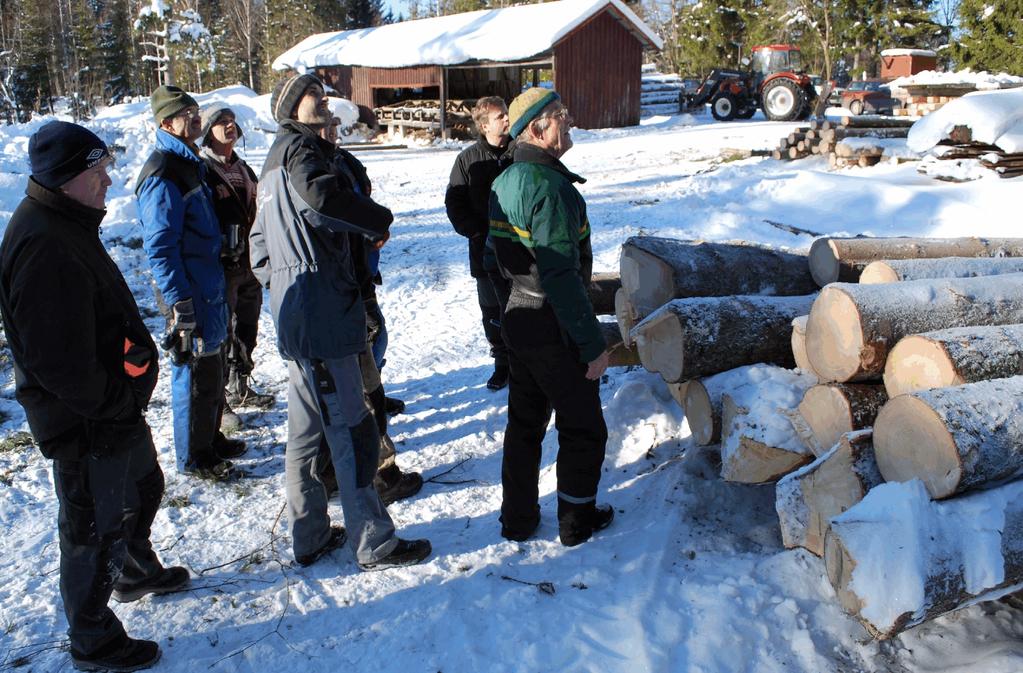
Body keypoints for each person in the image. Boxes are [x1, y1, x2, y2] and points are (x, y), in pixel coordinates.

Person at [0, 121, 189, 672]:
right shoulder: (42, 243)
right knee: (92, 526)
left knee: (143, 487)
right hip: (86, 420)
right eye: (96, 169)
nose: (108, 178)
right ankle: (92, 636)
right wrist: (115, 402)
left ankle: (133, 571)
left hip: (111, 410)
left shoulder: (65, 222)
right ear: (66, 178)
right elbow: (58, 363)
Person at [250, 73, 430, 570]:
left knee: (306, 433)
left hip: (296, 316)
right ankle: (375, 542)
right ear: (291, 108)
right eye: (315, 97)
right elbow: (322, 201)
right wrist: (377, 219)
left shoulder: (268, 167)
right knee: (354, 429)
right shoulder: (302, 152)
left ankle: (307, 536)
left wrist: (288, 282)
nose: (326, 104)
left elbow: (258, 252)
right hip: (323, 314)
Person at [488, 88, 614, 547]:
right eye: (560, 114)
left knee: (524, 424)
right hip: (551, 322)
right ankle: (576, 522)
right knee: (583, 426)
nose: (570, 119)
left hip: (519, 318)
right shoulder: (550, 188)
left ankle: (517, 520)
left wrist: (509, 310)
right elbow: (561, 276)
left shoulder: (505, 181)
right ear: (538, 128)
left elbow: (491, 260)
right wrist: (591, 344)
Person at [136, 85, 245, 480]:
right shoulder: (163, 172)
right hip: (187, 291)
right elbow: (161, 247)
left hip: (208, 283)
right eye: (189, 114)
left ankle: (210, 438)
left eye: (198, 112)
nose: (198, 119)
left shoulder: (189, 162)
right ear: (167, 122)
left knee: (212, 366)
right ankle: (193, 458)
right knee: (193, 371)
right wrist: (178, 300)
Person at [316, 117, 423, 506]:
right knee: (363, 387)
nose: (331, 128)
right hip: (340, 290)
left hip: (357, 280)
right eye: (323, 122)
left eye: (333, 122)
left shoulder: (339, 161)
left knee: (364, 371)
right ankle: (381, 475)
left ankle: (331, 470)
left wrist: (372, 230)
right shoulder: (310, 168)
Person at [198, 103, 275, 427]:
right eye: (222, 122)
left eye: (232, 122)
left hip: (248, 263)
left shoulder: (242, 167)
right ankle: (222, 403)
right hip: (221, 266)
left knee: (247, 328)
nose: (230, 127)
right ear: (208, 130)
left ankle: (240, 386)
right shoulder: (203, 169)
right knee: (222, 333)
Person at [445, 96, 512, 390]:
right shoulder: (467, 160)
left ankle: (526, 363)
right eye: (501, 116)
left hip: (521, 250)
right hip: (484, 253)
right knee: (493, 310)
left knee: (526, 308)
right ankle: (502, 364)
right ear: (484, 125)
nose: (508, 120)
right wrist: (475, 232)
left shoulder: (519, 152)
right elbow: (454, 202)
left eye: (508, 114)